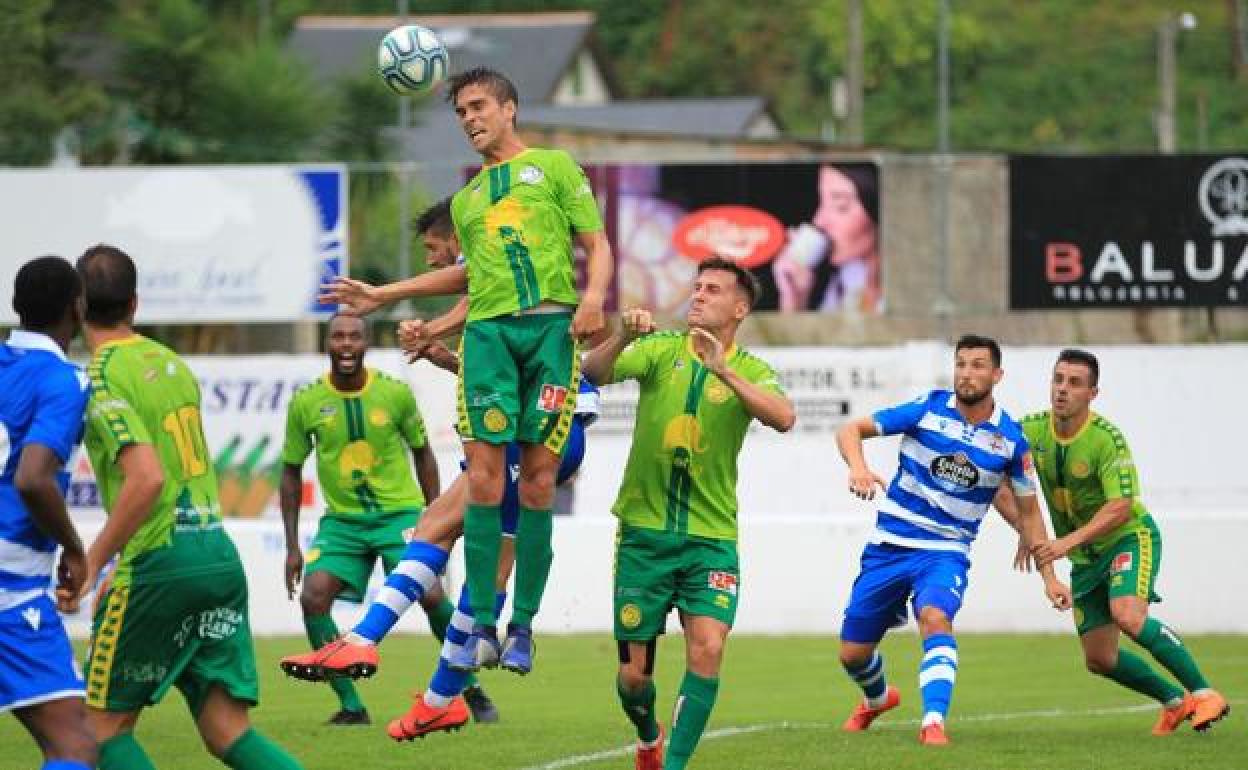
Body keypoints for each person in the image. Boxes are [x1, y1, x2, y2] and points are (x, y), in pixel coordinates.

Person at [320, 66, 613, 673]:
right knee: (484, 479)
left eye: (479, 106)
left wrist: (593, 298)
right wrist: (387, 295)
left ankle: (522, 626)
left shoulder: (554, 168)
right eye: (460, 113)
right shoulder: (468, 198)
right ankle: (481, 625)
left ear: (509, 108)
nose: (470, 120)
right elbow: (470, 276)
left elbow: (597, 244)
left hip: (550, 333)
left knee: (535, 483)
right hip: (488, 337)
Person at [280, 339, 600, 740]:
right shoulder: (554, 331)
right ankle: (441, 697)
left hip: (526, 431)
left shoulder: (506, 296)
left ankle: (365, 639)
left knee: (436, 525)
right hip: (554, 432)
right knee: (490, 566)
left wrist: (408, 308)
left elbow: (476, 312)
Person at [71, 244, 302, 770]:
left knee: (98, 732)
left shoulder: (101, 376)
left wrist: (93, 561)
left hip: (160, 559)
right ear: (135, 303)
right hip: (216, 553)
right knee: (228, 730)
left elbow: (147, 478)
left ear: (79, 308)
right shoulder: (171, 364)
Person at [582, 257, 795, 770]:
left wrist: (722, 368)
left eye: (713, 289)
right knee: (634, 680)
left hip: (710, 538)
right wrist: (620, 337)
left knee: (707, 648)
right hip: (644, 535)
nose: (698, 295)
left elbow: (784, 417)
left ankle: (673, 765)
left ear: (739, 308)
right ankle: (648, 732)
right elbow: (592, 372)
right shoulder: (658, 350)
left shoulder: (753, 371)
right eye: (697, 287)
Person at [833, 334, 1068, 746]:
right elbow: (850, 429)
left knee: (936, 617)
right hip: (891, 544)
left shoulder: (1011, 440)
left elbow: (1029, 511)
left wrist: (1049, 576)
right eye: (961, 364)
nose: (966, 373)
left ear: (997, 375)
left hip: (946, 552)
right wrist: (859, 468)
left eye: (978, 365)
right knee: (852, 654)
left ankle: (933, 723)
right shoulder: (926, 409)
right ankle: (878, 698)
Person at [995, 349, 1229, 735]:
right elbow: (999, 482)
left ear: (1092, 393)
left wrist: (1065, 543)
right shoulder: (1029, 431)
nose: (1062, 390)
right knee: (1100, 659)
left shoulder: (1107, 440)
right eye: (1058, 380)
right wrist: (1024, 529)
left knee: (1128, 615)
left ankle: (1204, 692)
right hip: (1085, 558)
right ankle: (1175, 702)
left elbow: (1120, 507)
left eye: (1074, 383)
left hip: (1127, 540)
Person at [278, 312, 495, 725]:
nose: (345, 345)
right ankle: (351, 706)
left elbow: (423, 454)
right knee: (313, 597)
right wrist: (291, 546)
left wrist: (439, 517)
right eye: (338, 337)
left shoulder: (394, 393)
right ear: (328, 343)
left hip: (399, 515)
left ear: (365, 343)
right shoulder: (306, 402)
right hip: (343, 522)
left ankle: (467, 687)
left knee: (431, 596)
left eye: (353, 337)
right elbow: (289, 471)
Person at [0, 256, 96, 770]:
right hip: (10, 587)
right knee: (74, 745)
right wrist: (76, 547)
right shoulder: (64, 381)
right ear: (76, 308)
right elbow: (33, 477)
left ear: (16, 307)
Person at [771, 164, 880, 313]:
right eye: (822, 201)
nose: (818, 221)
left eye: (840, 206)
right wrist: (795, 301)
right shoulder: (848, 276)